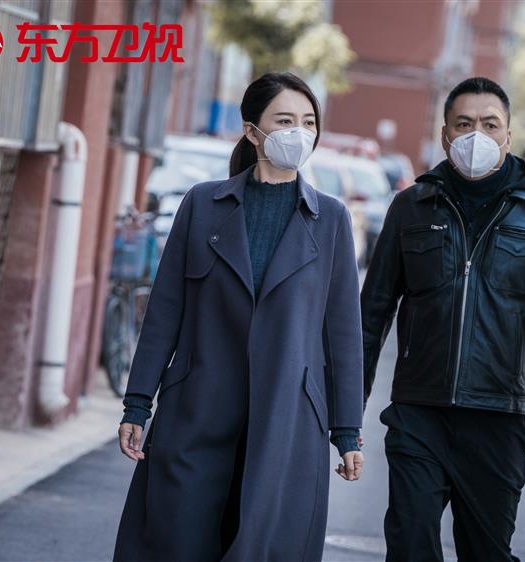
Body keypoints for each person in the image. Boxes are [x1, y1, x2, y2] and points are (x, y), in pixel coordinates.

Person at [113, 71, 365, 561]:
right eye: (285, 121)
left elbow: (343, 335)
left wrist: (347, 431)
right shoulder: (202, 204)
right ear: (252, 130)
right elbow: (165, 311)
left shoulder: (331, 219)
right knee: (178, 540)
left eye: (308, 122)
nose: (299, 133)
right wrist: (137, 403)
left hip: (287, 419)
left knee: (262, 545)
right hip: (197, 408)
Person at [360, 76, 525, 561]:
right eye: (464, 125)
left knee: (486, 552)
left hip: (498, 418)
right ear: (445, 135)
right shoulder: (411, 207)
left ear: (508, 135)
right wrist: (348, 409)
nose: (476, 135)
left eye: (490, 124)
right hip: (418, 412)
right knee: (409, 544)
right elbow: (371, 314)